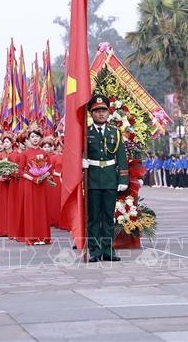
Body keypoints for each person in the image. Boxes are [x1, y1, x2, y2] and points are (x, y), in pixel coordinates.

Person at [82, 94, 128, 262]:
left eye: (103, 111)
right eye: (97, 111)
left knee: (109, 217)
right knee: (93, 218)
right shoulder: (85, 133)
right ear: (91, 114)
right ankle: (94, 250)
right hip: (92, 178)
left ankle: (108, 250)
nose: (101, 114)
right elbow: (77, 153)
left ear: (108, 113)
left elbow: (121, 157)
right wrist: (81, 163)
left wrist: (123, 180)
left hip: (109, 178)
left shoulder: (114, 132)